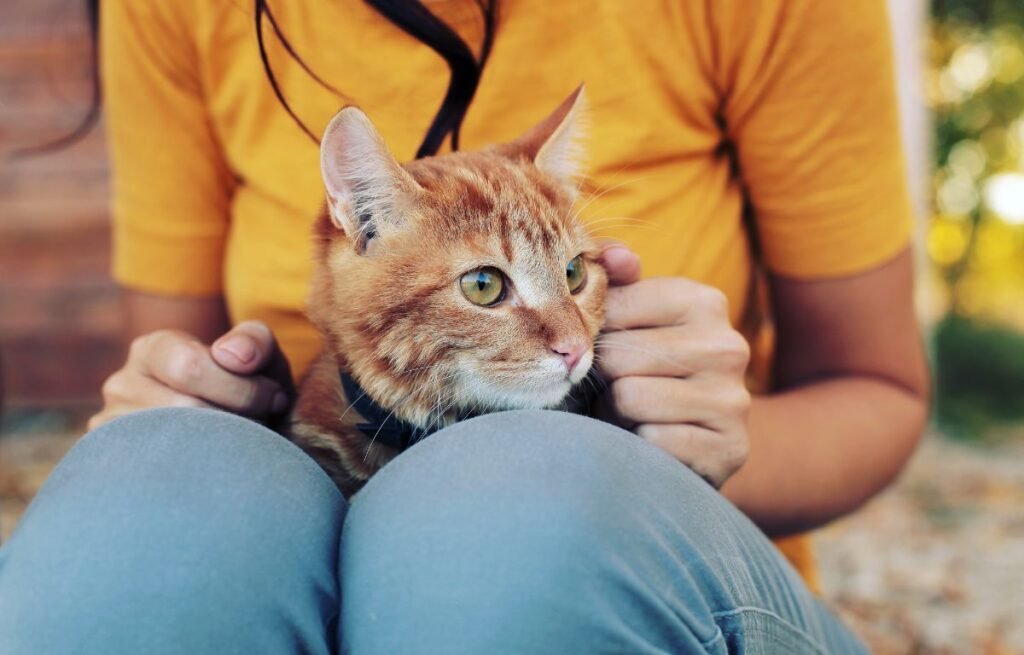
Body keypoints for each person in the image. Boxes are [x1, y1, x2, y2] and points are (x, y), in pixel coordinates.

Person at [0, 1, 930, 652]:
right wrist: (168, 404)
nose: (569, 330)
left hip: (668, 583)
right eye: (491, 285)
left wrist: (696, 441)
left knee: (502, 502)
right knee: (142, 494)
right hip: (313, 522)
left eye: (576, 275)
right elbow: (180, 361)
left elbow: (882, 389)